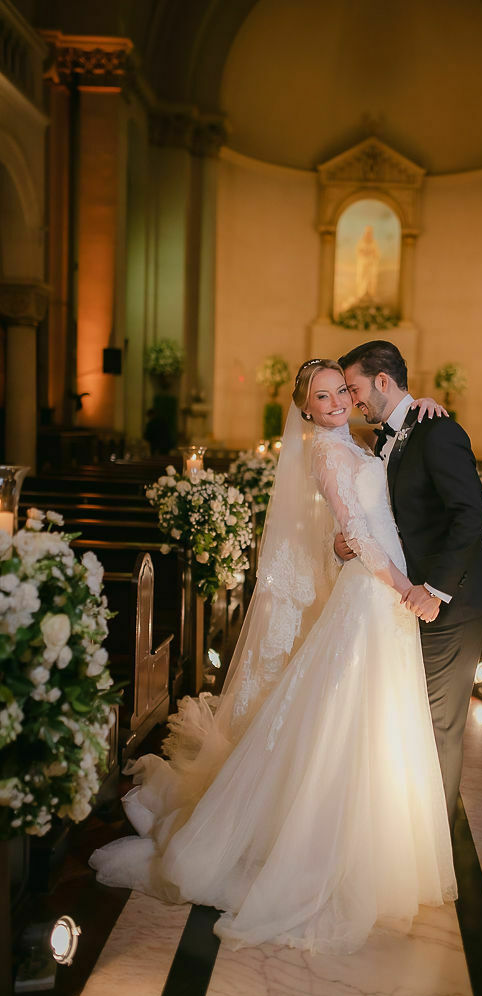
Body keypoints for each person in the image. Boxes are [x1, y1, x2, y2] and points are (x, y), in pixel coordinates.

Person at [89, 359, 455, 954]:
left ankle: (377, 845)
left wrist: (426, 407)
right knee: (345, 716)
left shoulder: (360, 443)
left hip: (387, 593)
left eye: (341, 390)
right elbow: (358, 535)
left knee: (378, 716)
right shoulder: (327, 453)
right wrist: (403, 587)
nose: (337, 401)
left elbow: (369, 515)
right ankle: (324, 850)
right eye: (322, 396)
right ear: (305, 408)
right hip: (376, 592)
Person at [337, 341, 482, 832]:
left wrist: (436, 590)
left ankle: (435, 838)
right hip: (406, 601)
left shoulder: (438, 430)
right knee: (409, 716)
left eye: (354, 388)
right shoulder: (387, 437)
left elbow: (471, 516)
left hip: (451, 603)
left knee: (438, 722)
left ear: (382, 381)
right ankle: (408, 830)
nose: (351, 400)